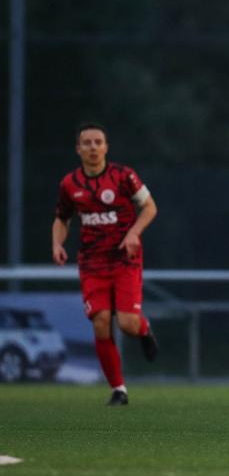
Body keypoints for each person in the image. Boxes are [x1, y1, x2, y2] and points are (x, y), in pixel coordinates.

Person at [52, 123, 158, 406]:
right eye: (86, 143)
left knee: (127, 323)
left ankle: (144, 330)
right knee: (100, 322)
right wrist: (57, 244)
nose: (93, 147)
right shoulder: (69, 184)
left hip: (125, 259)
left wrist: (134, 232)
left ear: (106, 147)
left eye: (98, 142)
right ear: (78, 149)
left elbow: (149, 207)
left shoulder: (124, 177)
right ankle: (118, 389)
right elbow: (62, 219)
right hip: (92, 263)